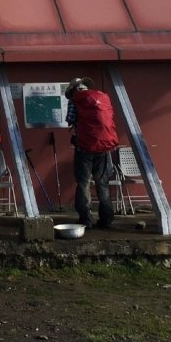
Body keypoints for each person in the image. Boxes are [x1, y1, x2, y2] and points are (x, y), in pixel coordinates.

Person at [64, 77, 119, 229]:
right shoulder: (101, 98)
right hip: (103, 147)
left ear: (74, 90)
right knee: (102, 183)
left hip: (84, 148)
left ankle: (85, 219)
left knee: (83, 183)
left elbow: (70, 119)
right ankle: (106, 219)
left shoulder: (75, 101)